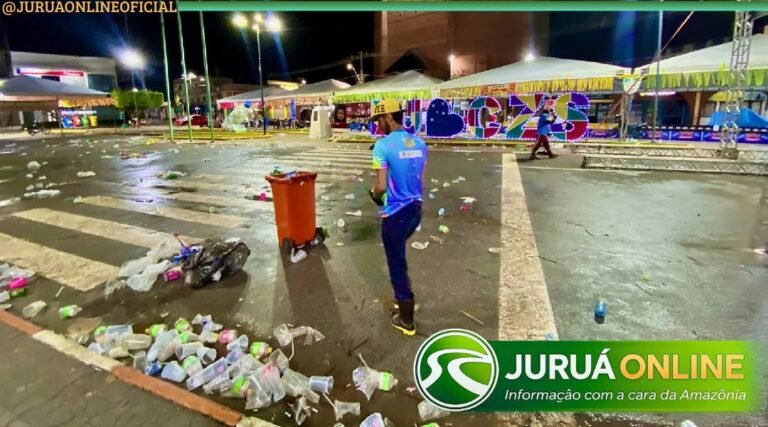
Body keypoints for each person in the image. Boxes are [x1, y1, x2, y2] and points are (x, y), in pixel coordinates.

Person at [369, 99, 427, 336]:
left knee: (396, 265)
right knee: (399, 255)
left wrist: (374, 194)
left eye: (379, 120)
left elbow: (381, 186)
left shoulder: (382, 146)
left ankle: (406, 318)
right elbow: (418, 178)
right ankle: (402, 299)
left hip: (395, 214)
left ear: (389, 117)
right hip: (416, 210)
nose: (378, 125)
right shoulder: (420, 143)